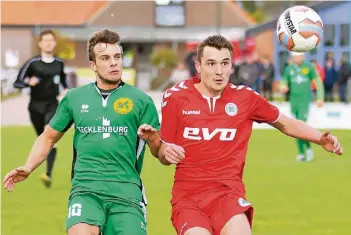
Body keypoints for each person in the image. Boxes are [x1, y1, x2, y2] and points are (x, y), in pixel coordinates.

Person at [157, 35, 342, 235]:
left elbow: (286, 123)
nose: (219, 71)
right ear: (198, 66)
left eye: (225, 63)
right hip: (188, 198)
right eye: (211, 63)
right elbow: (163, 153)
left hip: (228, 194)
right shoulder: (175, 97)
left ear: (232, 67)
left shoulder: (245, 98)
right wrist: (165, 151)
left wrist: (319, 138)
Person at [4, 29, 161, 235]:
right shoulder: (75, 98)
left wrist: (156, 141)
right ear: (93, 66)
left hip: (127, 194)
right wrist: (28, 166)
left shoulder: (142, 101)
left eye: (117, 57)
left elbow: (160, 152)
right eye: (105, 58)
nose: (114, 63)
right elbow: (48, 137)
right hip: (85, 191)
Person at [12, 29, 69, 188]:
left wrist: (66, 90)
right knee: (43, 140)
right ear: (40, 43)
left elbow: (64, 82)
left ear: (55, 43)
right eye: (46, 40)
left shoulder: (59, 63)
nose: (49, 43)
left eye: (51, 40)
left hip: (53, 105)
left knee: (50, 135)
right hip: (35, 106)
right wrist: (28, 82)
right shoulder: (32, 63)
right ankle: (37, 167)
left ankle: (48, 174)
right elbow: (17, 82)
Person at [281, 52, 325, 162]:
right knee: (295, 128)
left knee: (301, 125)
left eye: (298, 56)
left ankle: (308, 149)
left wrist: (320, 97)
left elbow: (318, 82)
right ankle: (301, 153)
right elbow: (284, 81)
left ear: (303, 56)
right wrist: (283, 86)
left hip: (304, 102)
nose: (296, 58)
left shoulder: (309, 67)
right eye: (294, 56)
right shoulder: (289, 68)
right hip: (293, 102)